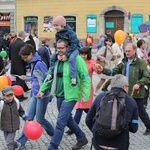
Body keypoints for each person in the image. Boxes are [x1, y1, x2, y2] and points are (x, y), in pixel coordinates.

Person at [37, 39, 91, 150]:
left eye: (62, 48)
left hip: (71, 95)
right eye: (58, 48)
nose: (59, 50)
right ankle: (81, 138)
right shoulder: (56, 60)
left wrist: (86, 95)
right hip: (59, 95)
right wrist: (42, 89)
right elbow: (50, 76)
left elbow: (86, 78)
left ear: (68, 47)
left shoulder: (77, 59)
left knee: (60, 122)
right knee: (68, 120)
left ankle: (53, 147)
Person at [96, 43, 150, 135]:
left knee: (141, 111)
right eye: (126, 51)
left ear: (135, 50)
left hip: (136, 92)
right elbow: (114, 71)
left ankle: (148, 126)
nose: (127, 53)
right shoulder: (124, 62)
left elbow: (146, 77)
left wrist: (139, 83)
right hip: (124, 91)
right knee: (123, 109)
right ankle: (124, 126)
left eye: (129, 51)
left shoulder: (140, 63)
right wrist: (103, 69)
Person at [86, 74, 138, 150]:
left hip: (99, 142)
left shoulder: (100, 96)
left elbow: (88, 119)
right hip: (119, 144)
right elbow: (134, 128)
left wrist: (99, 131)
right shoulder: (131, 101)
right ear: (124, 87)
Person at [16, 44, 54, 148]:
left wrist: (44, 92)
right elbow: (35, 78)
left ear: (31, 54)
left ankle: (55, 136)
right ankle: (20, 142)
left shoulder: (39, 63)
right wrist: (27, 78)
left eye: (25, 57)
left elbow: (48, 79)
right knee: (29, 118)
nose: (24, 60)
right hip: (34, 93)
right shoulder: (33, 63)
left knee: (40, 119)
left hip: (42, 95)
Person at [66, 47, 101, 135]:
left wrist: (98, 67)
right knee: (86, 109)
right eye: (82, 54)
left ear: (88, 54)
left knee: (79, 108)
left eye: (85, 54)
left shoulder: (92, 62)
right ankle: (97, 121)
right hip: (78, 87)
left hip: (87, 88)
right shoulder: (77, 60)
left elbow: (97, 70)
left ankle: (73, 128)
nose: (83, 56)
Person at [49, 15, 80, 87]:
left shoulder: (71, 33)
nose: (55, 27)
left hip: (74, 48)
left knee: (71, 59)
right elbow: (57, 44)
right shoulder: (57, 34)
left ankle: (73, 78)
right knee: (52, 57)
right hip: (63, 48)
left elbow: (74, 44)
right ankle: (51, 74)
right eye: (54, 26)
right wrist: (58, 54)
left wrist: (66, 54)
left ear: (63, 25)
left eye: (57, 25)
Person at [0, 86, 27, 150]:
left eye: (11, 95)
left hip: (14, 126)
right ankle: (18, 145)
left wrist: (25, 118)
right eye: (7, 96)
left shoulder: (16, 102)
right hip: (5, 126)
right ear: (3, 96)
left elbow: (21, 111)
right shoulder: (1, 103)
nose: (10, 97)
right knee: (9, 140)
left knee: (9, 143)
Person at [9, 30, 29, 101]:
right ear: (23, 36)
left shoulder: (12, 43)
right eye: (25, 36)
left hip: (14, 64)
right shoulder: (23, 44)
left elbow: (10, 55)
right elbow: (25, 56)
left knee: (19, 79)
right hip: (21, 65)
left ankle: (24, 90)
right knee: (20, 80)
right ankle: (19, 95)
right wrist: (27, 66)